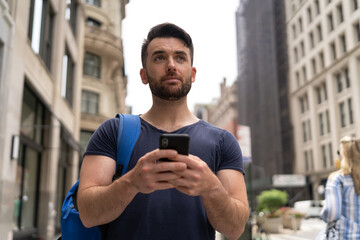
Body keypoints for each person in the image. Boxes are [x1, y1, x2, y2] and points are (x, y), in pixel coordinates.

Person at [77, 23, 249, 240]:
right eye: (159, 57)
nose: (171, 65)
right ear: (143, 74)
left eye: (180, 57)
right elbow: (88, 214)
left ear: (192, 73)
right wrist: (132, 182)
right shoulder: (113, 131)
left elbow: (235, 229)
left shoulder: (223, 141)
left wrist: (211, 188)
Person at [320, 136, 360, 239]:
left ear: (343, 154)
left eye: (339, 152)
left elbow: (332, 213)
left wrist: (325, 208)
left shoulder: (337, 178)